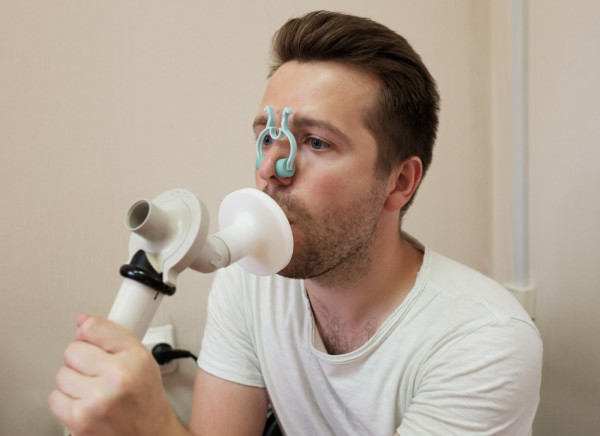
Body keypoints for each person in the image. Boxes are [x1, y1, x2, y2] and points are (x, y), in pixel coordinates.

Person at [49, 10, 543, 435]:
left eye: (317, 142)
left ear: (400, 182)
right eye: (267, 138)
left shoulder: (484, 342)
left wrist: (155, 428)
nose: (269, 170)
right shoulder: (249, 282)